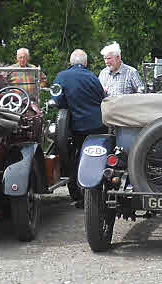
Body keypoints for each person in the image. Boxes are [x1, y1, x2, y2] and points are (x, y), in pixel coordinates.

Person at [53, 49, 107, 207]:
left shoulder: (61, 76)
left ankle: (78, 195)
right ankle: (95, 193)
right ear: (85, 63)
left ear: (70, 62)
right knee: (97, 158)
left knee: (75, 159)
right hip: (97, 126)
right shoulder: (93, 77)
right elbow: (101, 98)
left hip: (76, 127)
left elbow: (57, 101)